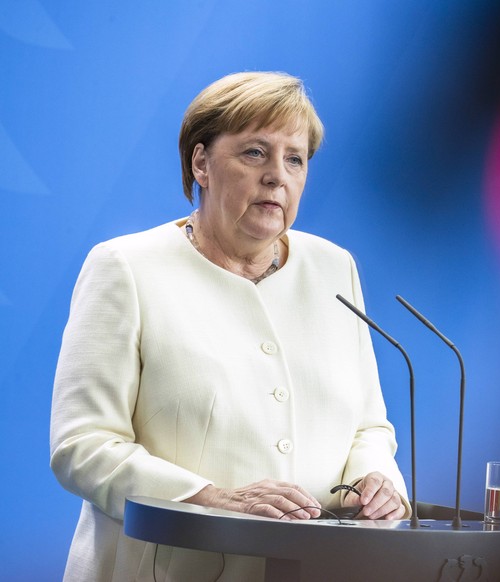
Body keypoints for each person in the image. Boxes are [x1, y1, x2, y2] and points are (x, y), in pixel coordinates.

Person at [50, 71, 410, 581]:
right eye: (254, 153)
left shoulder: (334, 268)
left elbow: (368, 426)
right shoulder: (126, 268)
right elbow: (82, 447)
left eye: (295, 158)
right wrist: (213, 499)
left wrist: (376, 479)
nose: (277, 177)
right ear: (201, 162)